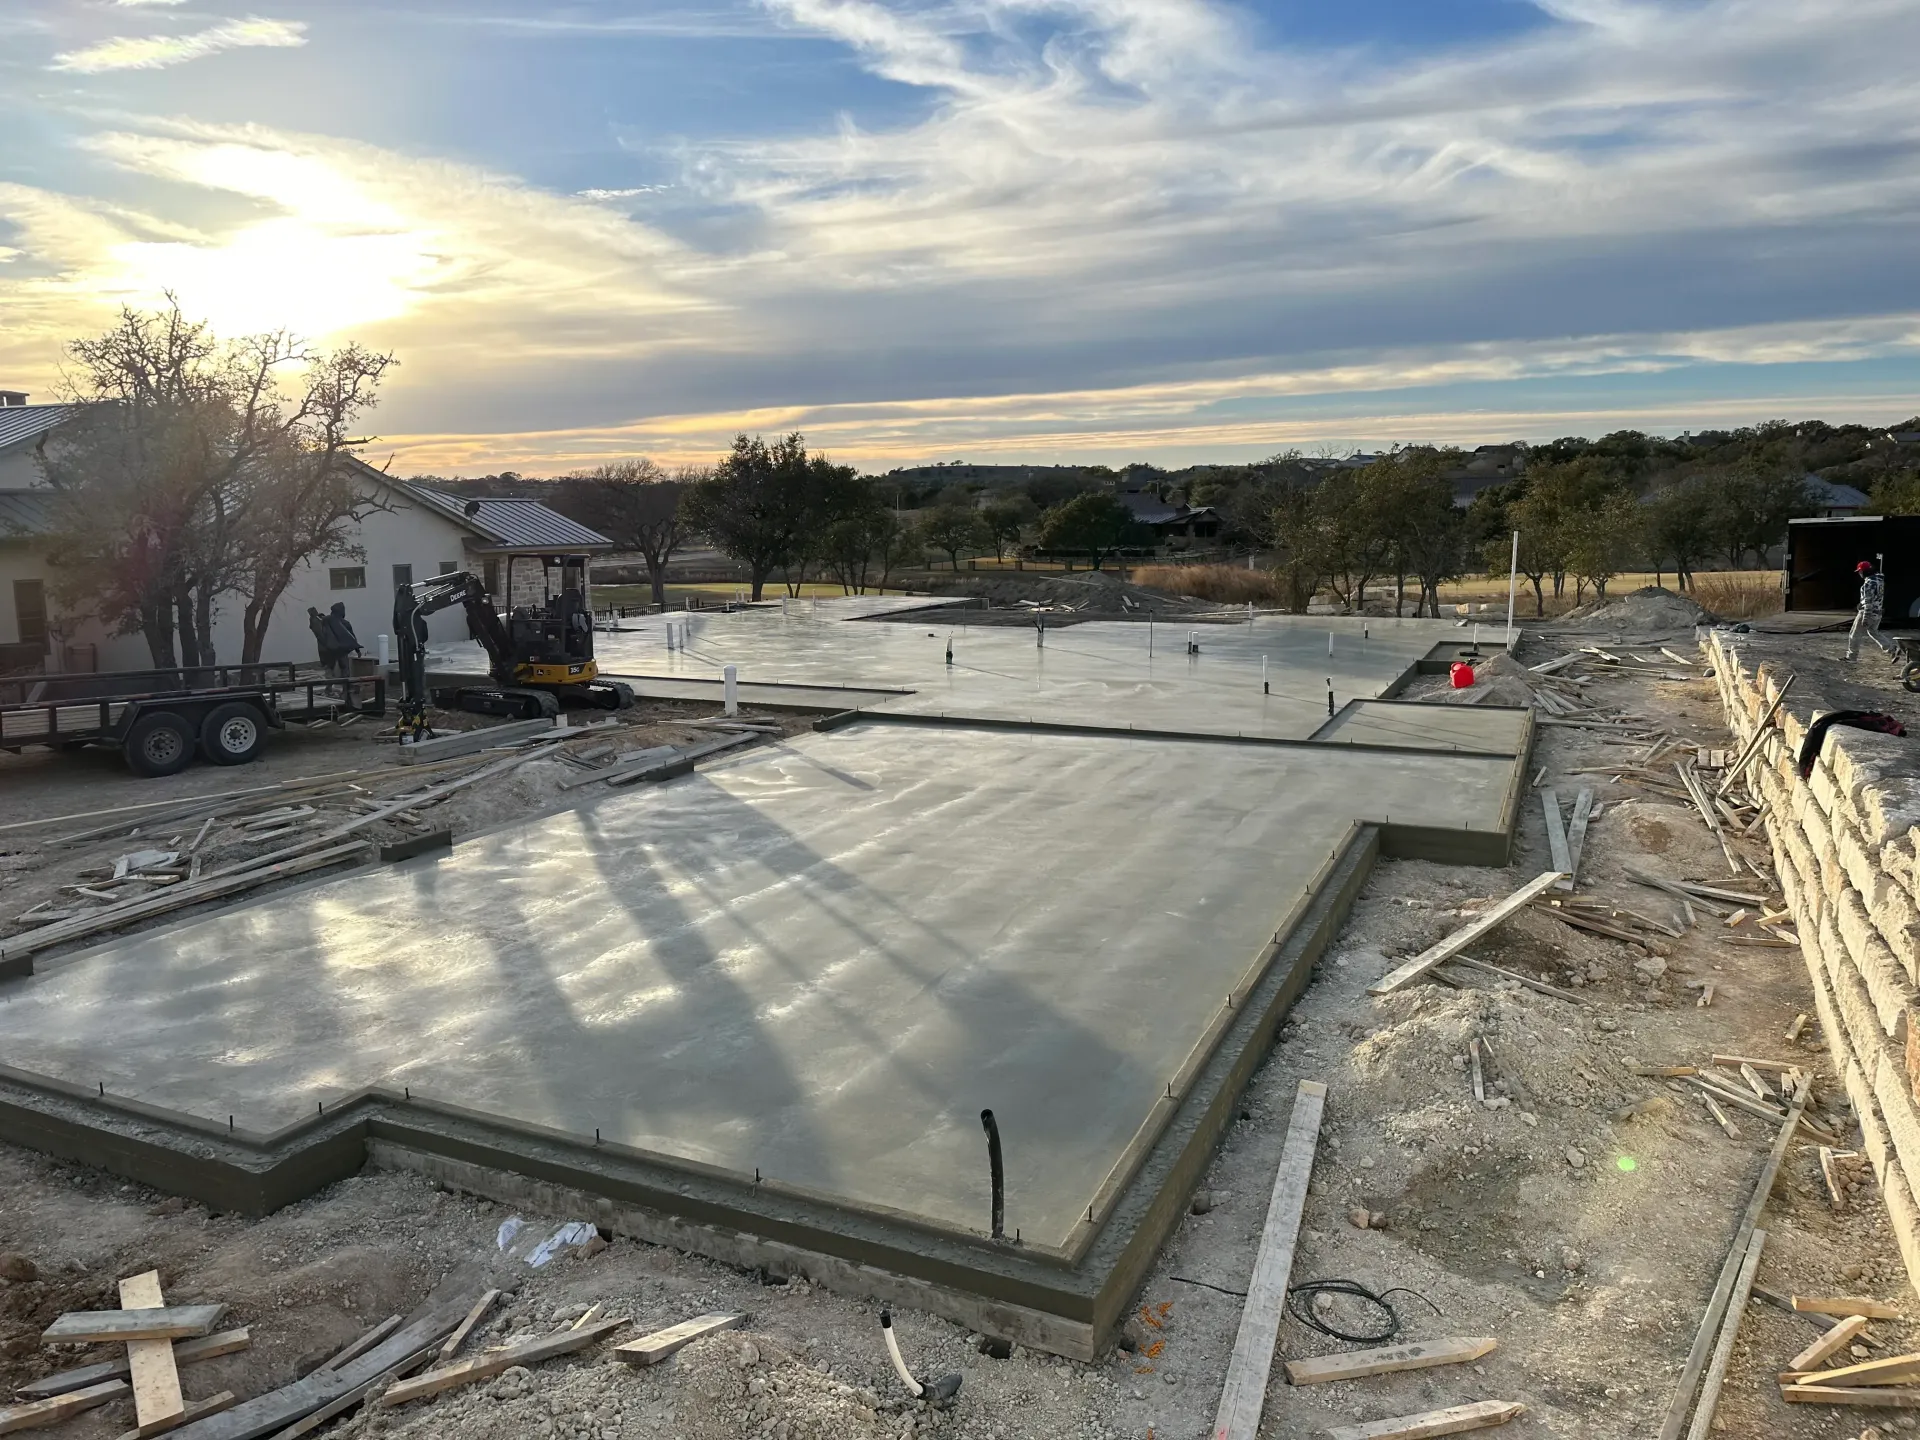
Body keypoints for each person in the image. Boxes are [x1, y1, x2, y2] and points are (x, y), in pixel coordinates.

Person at [1847, 559, 1897, 663]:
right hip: (1878, 612)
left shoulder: (1868, 584)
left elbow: (1869, 602)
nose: (1859, 573)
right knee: (1873, 631)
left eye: (1860, 571)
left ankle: (1851, 658)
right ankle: (1892, 648)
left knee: (1855, 634)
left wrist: (1865, 617)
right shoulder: (1880, 581)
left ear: (1865, 571)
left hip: (1868, 612)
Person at [321, 601, 363, 677]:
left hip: (330, 650)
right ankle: (346, 687)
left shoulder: (327, 621)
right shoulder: (345, 623)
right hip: (342, 651)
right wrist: (358, 650)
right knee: (344, 668)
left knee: (330, 669)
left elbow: (322, 633)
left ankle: (329, 686)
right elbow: (351, 637)